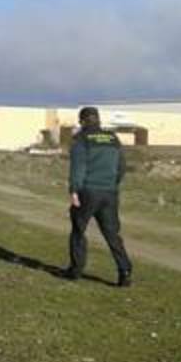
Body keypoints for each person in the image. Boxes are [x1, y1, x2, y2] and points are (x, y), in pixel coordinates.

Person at [63, 106, 133, 287]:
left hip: (88, 192)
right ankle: (124, 271)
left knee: (78, 231)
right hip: (109, 193)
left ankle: (76, 270)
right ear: (99, 120)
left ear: (82, 121)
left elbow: (78, 168)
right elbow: (122, 167)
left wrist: (74, 191)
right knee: (112, 234)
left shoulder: (81, 140)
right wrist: (113, 184)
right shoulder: (112, 138)